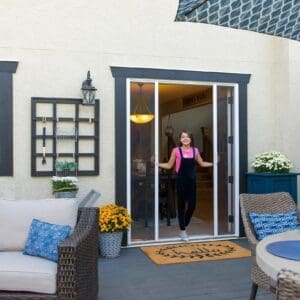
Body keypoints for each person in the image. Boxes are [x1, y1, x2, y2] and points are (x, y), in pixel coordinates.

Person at [159, 130, 213, 241]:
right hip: (181, 181)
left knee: (192, 205)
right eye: (183, 137)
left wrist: (215, 163)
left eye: (187, 137)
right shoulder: (176, 151)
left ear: (190, 139)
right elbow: (169, 165)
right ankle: (182, 231)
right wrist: (157, 164)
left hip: (192, 182)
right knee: (181, 206)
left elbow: (202, 163)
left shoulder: (195, 151)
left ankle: (184, 222)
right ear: (180, 139)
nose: (185, 138)